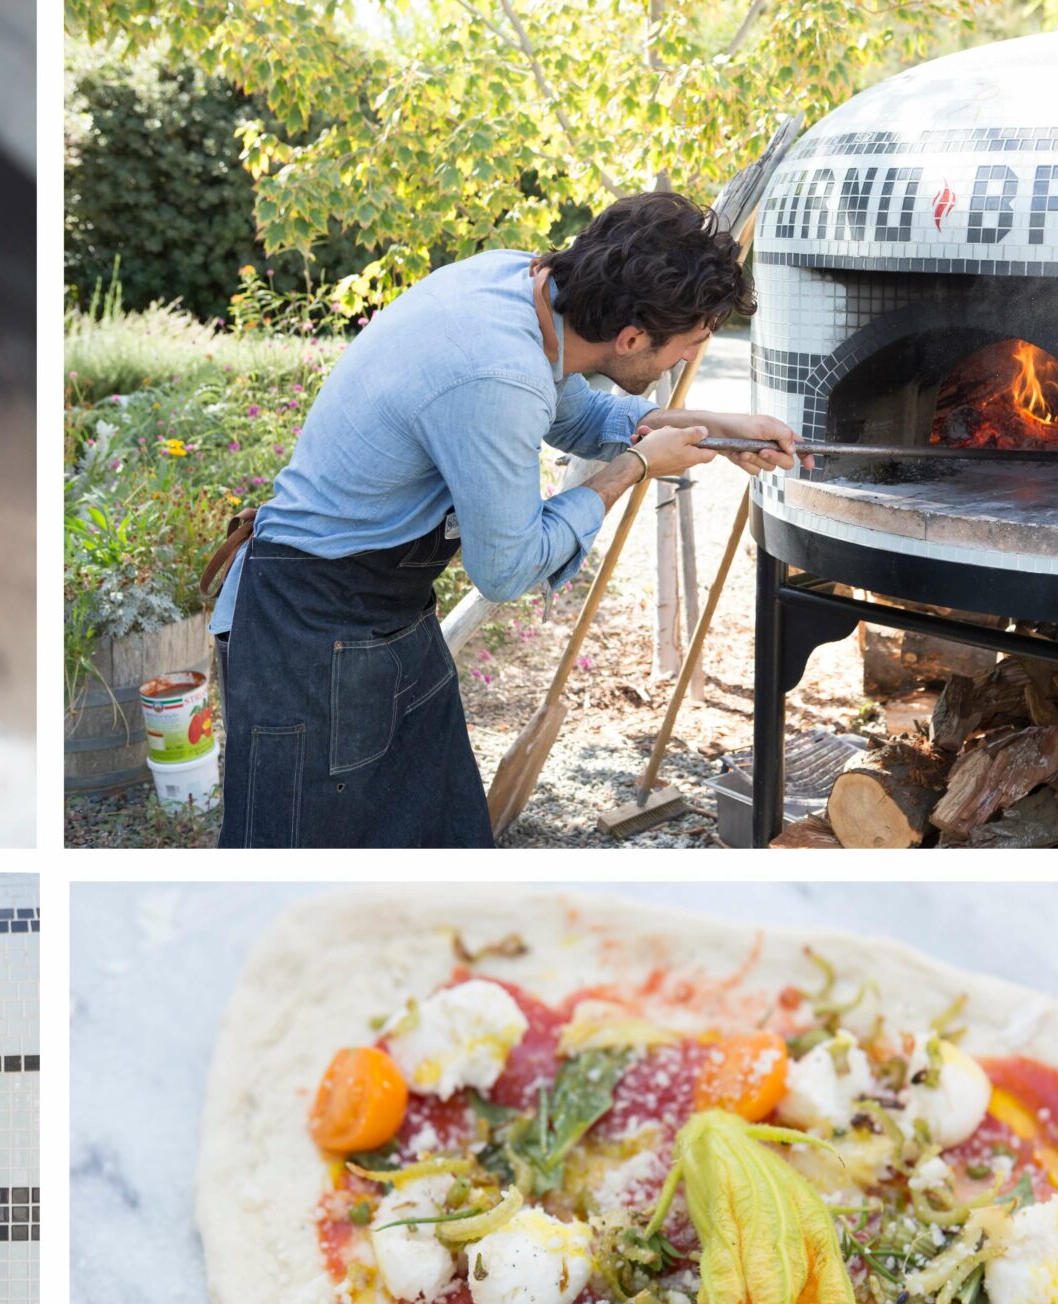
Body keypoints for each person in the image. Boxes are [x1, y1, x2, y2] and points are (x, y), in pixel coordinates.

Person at [211, 191, 804, 847]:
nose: (689, 360)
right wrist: (633, 468)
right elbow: (508, 567)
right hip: (308, 631)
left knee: (443, 848)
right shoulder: (499, 373)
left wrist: (719, 429)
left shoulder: (521, 283)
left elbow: (579, 417)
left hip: (383, 612)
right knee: (302, 870)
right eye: (689, 345)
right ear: (633, 338)